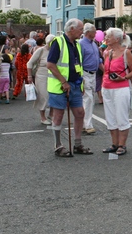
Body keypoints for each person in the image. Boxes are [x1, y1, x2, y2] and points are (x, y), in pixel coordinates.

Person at [46, 18, 88, 157]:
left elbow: (78, 66)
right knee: (58, 115)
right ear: (71, 29)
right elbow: (50, 64)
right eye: (80, 29)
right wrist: (64, 82)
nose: (82, 32)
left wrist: (81, 84)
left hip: (75, 85)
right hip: (60, 86)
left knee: (80, 113)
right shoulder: (58, 42)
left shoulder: (77, 44)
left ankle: (77, 144)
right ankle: (58, 145)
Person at [100, 27, 132, 156]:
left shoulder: (126, 53)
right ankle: (114, 144)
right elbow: (105, 70)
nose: (106, 38)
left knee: (121, 116)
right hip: (107, 88)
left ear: (117, 39)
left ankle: (122, 145)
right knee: (110, 117)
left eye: (108, 36)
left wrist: (124, 77)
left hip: (121, 88)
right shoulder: (107, 52)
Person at [79, 23, 101, 135]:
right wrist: (80, 76)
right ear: (88, 32)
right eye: (94, 31)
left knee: (89, 99)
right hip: (85, 73)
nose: (96, 33)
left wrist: (105, 70)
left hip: (93, 74)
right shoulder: (81, 44)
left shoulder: (94, 44)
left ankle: (84, 124)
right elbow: (79, 61)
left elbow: (98, 59)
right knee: (88, 99)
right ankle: (87, 125)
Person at [26, 36, 52, 124]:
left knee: (53, 95)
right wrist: (29, 76)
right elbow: (30, 63)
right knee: (44, 96)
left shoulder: (56, 50)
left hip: (53, 75)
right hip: (41, 75)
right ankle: (43, 117)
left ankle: (51, 115)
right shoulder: (41, 50)